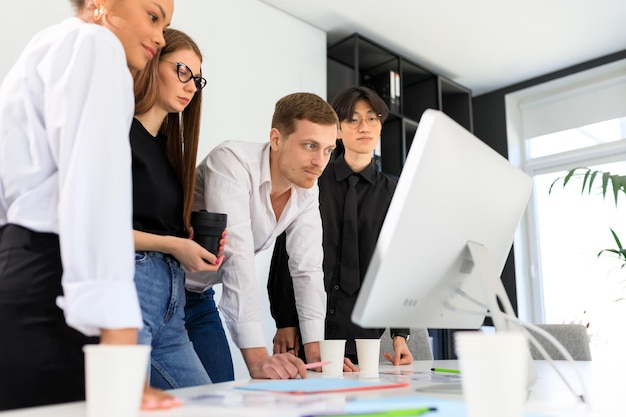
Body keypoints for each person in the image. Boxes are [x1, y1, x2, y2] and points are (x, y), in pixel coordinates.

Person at [0, 0, 179, 411]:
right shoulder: (97, 45)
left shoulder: (46, 45)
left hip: (20, 274)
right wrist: (120, 354)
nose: (160, 37)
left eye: (166, 25)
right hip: (54, 286)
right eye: (153, 16)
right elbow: (96, 197)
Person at [185, 92, 339, 380]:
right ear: (277, 139)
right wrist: (258, 359)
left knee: (218, 394)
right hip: (155, 289)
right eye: (310, 146)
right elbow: (236, 256)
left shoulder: (307, 188)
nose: (320, 162)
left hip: (197, 297)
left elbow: (307, 268)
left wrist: (318, 357)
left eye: (328, 150)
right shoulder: (231, 161)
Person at [267, 86, 414, 367]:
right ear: (337, 129)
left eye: (372, 118)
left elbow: (399, 264)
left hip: (366, 334)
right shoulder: (312, 180)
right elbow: (285, 254)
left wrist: (400, 334)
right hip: (308, 329)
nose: (364, 127)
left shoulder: (395, 193)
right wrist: (284, 320)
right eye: (353, 119)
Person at [131, 28, 225, 389]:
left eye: (196, 79)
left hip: (173, 303)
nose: (190, 86)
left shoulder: (171, 152)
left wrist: (190, 242)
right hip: (132, 291)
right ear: (152, 61)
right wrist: (174, 245)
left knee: (207, 404)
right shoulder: (117, 132)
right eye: (182, 71)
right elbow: (97, 232)